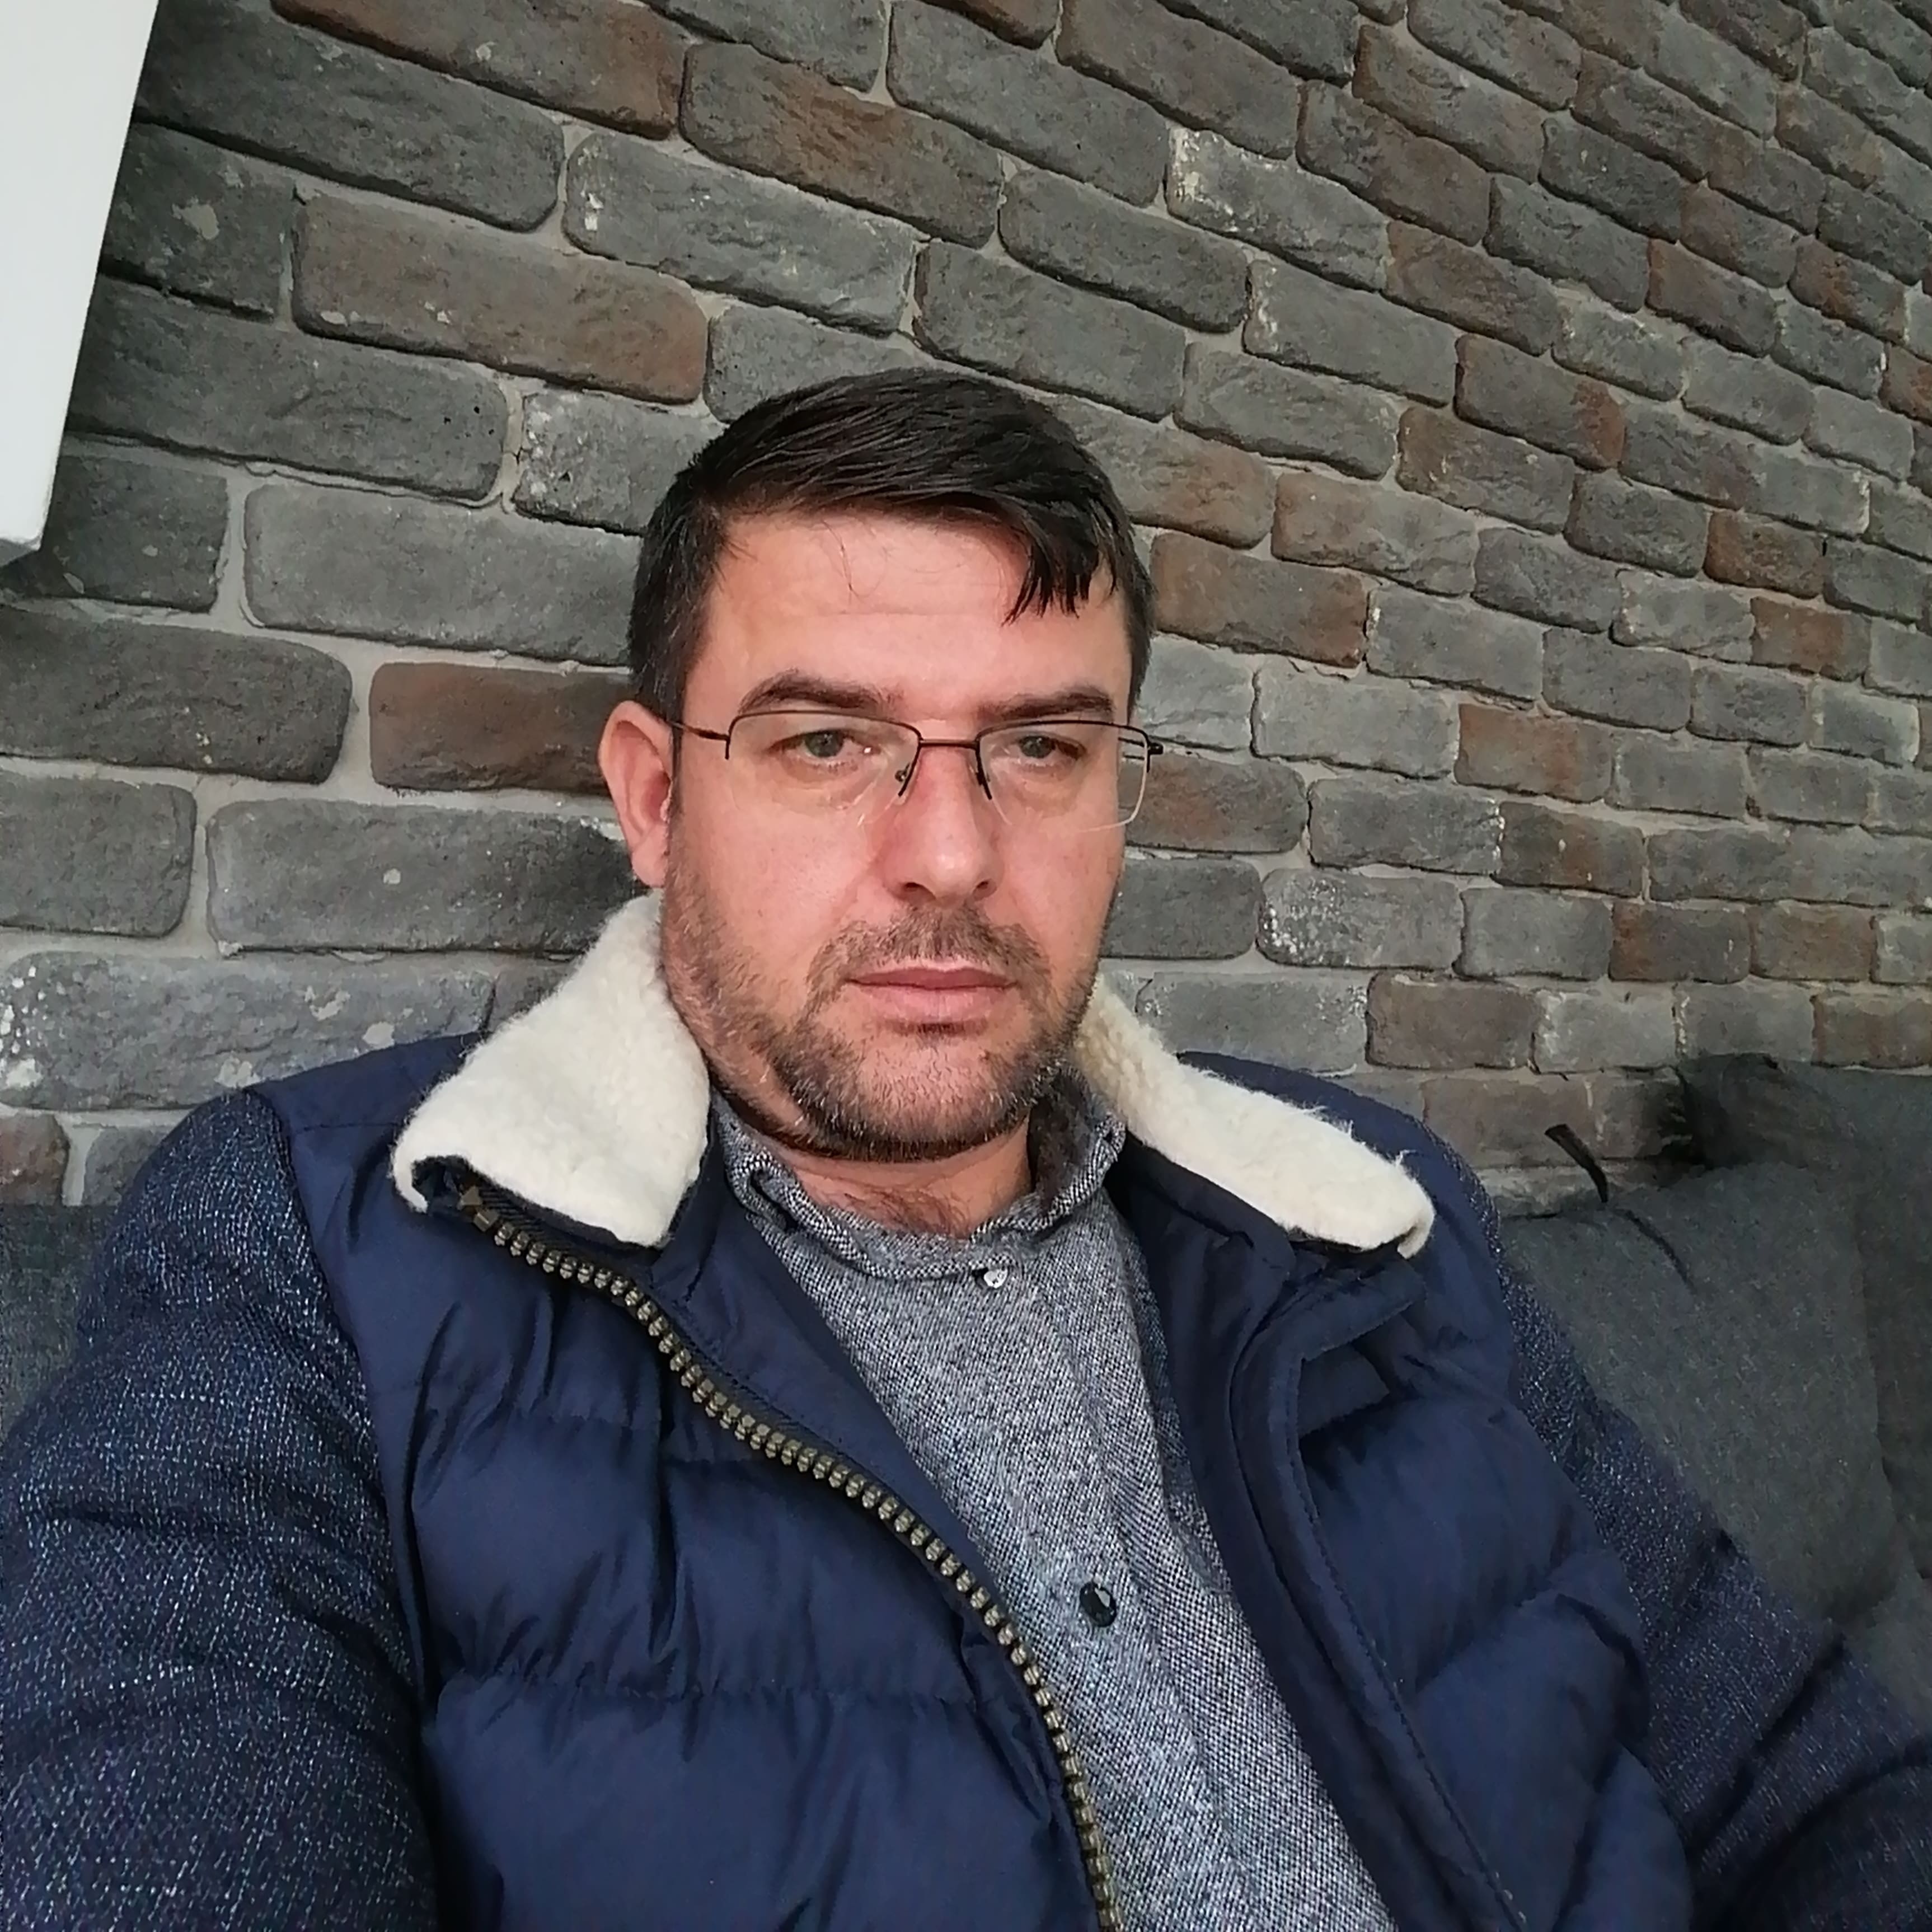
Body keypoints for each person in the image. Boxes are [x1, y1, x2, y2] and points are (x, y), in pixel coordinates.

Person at [1, 371, 1927, 1932]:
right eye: (828, 741)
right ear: (654, 799)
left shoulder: (1364, 1216)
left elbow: (1818, 1785)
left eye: (1040, 747)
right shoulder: (318, 1252)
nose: (949, 853)